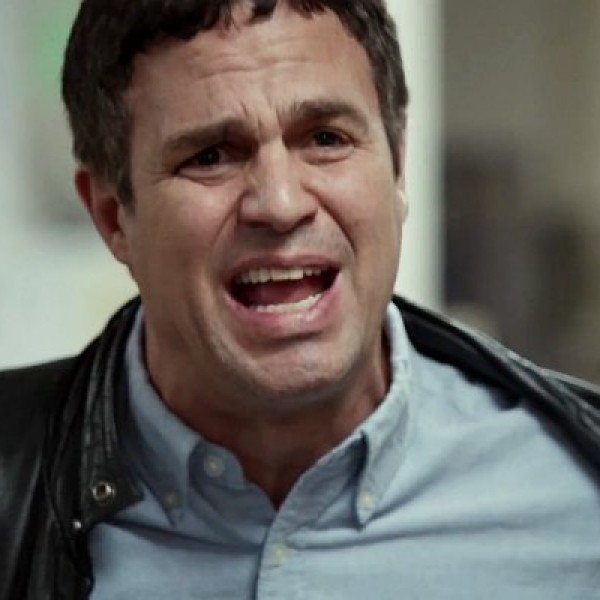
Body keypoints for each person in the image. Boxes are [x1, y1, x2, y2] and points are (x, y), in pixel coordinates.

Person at [2, 0, 600, 598]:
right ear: (112, 216)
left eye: (325, 139)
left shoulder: (575, 502)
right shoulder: (13, 484)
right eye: (210, 156)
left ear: (397, 167)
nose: (282, 204)